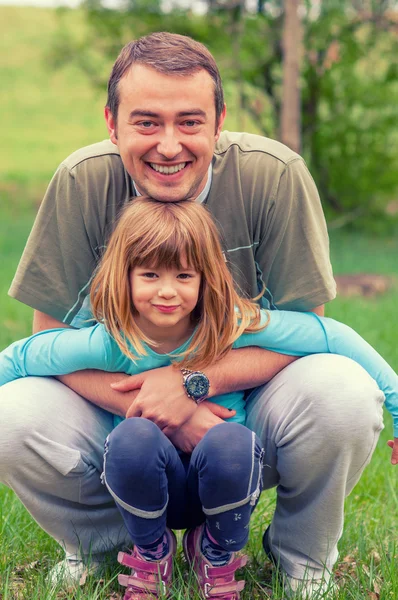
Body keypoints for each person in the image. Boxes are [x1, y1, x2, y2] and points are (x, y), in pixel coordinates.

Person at [0, 31, 395, 598]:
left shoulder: (273, 177)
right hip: (121, 413)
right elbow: (47, 342)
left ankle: (302, 561)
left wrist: (194, 386)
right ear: (111, 122)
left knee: (342, 392)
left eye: (189, 122)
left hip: (242, 417)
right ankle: (111, 549)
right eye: (146, 122)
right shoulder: (82, 180)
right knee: (12, 411)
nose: (168, 146)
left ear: (218, 121)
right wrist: (164, 409)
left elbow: (307, 334)